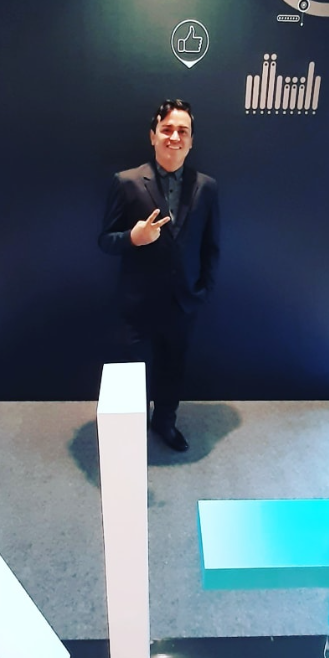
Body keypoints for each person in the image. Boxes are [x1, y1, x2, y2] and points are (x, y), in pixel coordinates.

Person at [98, 98, 220, 452]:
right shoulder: (126, 182)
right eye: (167, 129)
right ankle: (129, 431)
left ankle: (165, 422)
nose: (174, 137)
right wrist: (133, 238)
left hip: (183, 301)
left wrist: (203, 290)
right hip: (137, 302)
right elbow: (105, 240)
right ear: (153, 136)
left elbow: (211, 244)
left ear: (191, 140)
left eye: (183, 131)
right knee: (130, 373)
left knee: (172, 369)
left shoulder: (207, 187)